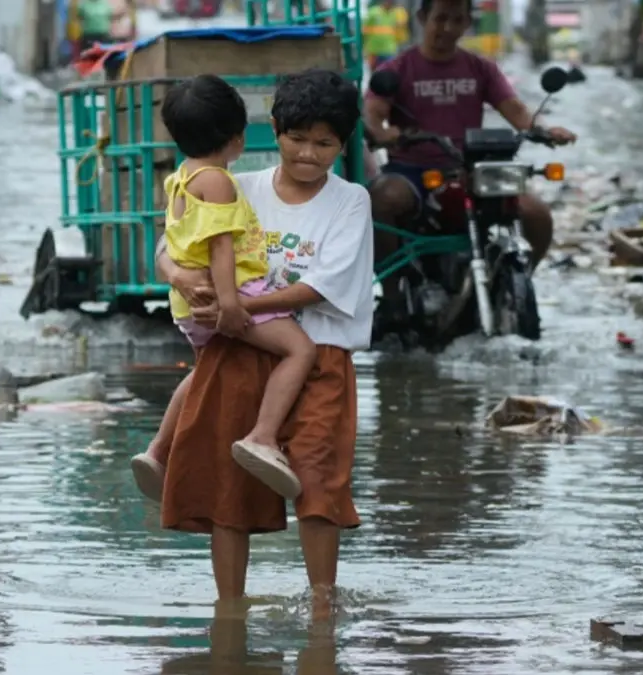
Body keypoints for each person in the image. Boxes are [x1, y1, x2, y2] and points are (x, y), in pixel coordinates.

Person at [154, 69, 372, 618]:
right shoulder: (235, 184)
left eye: (323, 143)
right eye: (297, 139)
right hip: (239, 353)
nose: (307, 153)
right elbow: (169, 249)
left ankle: (322, 607)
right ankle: (230, 610)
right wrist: (183, 281)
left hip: (318, 354)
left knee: (319, 483)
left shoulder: (351, 202)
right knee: (230, 491)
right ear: (273, 131)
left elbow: (321, 285)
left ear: (343, 145)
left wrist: (234, 307)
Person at [130, 75, 318, 502]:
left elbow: (178, 241)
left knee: (202, 374)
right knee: (300, 351)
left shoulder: (179, 177)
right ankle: (263, 437)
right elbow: (220, 248)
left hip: (187, 304)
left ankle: (158, 451)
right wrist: (231, 307)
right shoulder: (217, 181)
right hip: (230, 296)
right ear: (236, 136)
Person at [363, 0, 576, 315]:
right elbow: (372, 114)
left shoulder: (481, 67)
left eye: (457, 20)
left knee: (537, 214)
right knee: (381, 198)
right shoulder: (396, 69)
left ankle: (516, 283)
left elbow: (514, 109)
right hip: (412, 172)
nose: (447, 28)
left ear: (467, 24)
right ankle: (393, 296)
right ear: (423, 18)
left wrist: (543, 131)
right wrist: (383, 134)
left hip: (468, 171)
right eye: (441, 18)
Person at [363, 0, 400, 70]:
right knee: (374, 72)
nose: (390, 3)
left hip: (389, 49)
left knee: (389, 71)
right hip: (374, 50)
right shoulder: (373, 12)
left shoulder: (394, 13)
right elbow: (364, 30)